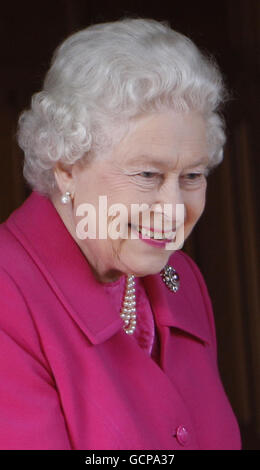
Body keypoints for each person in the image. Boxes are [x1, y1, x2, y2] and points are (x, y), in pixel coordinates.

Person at [0, 18, 241, 450]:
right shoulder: (7, 294)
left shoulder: (182, 279)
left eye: (192, 175)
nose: (172, 210)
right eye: (147, 174)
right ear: (66, 166)